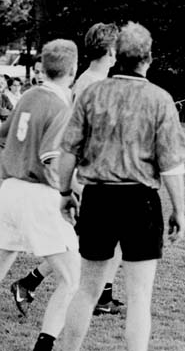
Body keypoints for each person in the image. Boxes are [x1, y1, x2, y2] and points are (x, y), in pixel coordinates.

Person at [59, 22, 185, 351]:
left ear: (118, 56)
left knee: (86, 290)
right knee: (139, 297)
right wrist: (179, 209)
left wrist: (65, 192)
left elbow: (68, 150)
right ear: (147, 58)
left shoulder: (91, 93)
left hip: (98, 198)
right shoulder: (160, 99)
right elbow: (172, 165)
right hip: (140, 201)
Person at [10, 23, 124, 317]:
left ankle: (32, 283)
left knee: (94, 238)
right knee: (85, 240)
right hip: (84, 173)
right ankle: (39, 286)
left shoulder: (95, 80)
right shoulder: (90, 83)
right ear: (110, 51)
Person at [0, 39, 81, 351]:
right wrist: (68, 191)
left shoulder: (29, 94)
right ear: (72, 70)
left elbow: (5, 134)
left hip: (9, 191)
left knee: (4, 259)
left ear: (44, 67)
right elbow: (51, 157)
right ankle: (43, 347)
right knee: (73, 279)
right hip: (38, 194)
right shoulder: (61, 105)